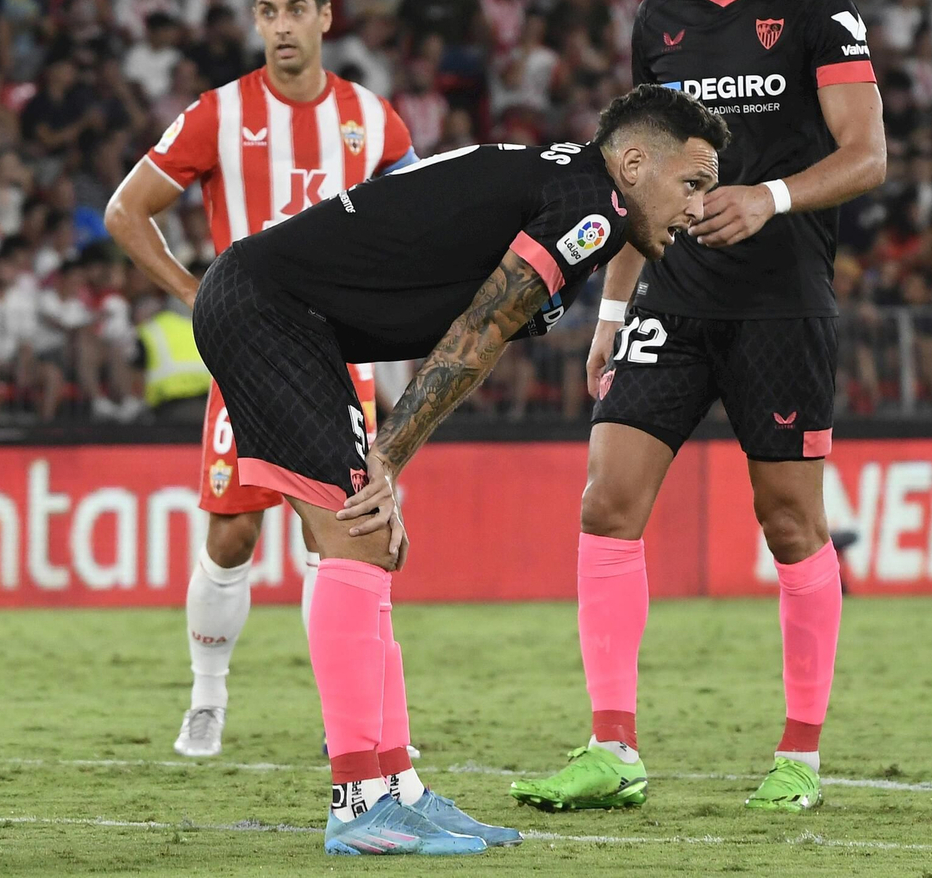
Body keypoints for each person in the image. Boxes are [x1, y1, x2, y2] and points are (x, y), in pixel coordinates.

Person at [193, 83, 727, 854]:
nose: (698, 207)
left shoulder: (570, 188)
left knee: (370, 543)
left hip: (287, 314)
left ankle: (396, 786)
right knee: (356, 536)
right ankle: (357, 801)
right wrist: (389, 460)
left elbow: (473, 326)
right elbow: (479, 331)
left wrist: (386, 460)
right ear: (636, 162)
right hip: (268, 309)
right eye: (693, 183)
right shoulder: (594, 206)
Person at [507, 0, 887, 815]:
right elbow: (641, 175)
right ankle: (611, 746)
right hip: (672, 298)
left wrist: (766, 197)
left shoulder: (818, 12)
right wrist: (612, 303)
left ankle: (800, 755)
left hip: (780, 303)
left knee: (789, 522)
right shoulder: (661, 22)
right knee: (604, 502)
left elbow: (867, 155)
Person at [103, 0, 418, 760]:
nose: (281, 26)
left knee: (340, 541)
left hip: (342, 361)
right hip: (247, 363)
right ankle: (207, 697)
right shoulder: (218, 113)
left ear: (325, 14)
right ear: (256, 19)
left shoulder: (373, 120)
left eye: (295, 10)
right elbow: (127, 211)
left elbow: (420, 225)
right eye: (267, 11)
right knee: (231, 541)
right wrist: (197, 296)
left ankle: (340, 713)